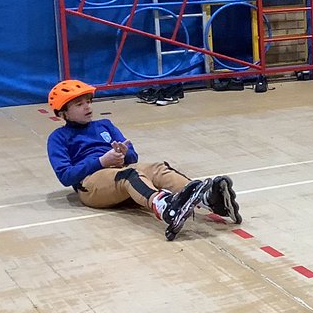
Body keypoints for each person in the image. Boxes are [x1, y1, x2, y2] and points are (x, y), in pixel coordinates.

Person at [45, 79, 241, 241]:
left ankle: (206, 197)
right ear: (63, 113)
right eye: (79, 104)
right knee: (130, 175)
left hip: (118, 169)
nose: (87, 107)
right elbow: (65, 175)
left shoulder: (104, 125)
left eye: (88, 101)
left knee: (157, 167)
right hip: (92, 184)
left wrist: (124, 153)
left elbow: (133, 157)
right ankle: (165, 207)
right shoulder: (58, 138)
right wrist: (101, 162)